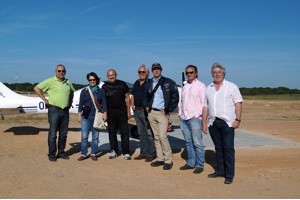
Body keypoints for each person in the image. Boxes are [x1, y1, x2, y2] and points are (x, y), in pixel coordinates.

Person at [202, 63, 243, 184]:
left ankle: (229, 174)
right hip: (213, 122)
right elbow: (205, 106)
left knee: (228, 148)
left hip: (227, 122)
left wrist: (238, 119)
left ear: (223, 73)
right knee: (218, 148)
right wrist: (204, 122)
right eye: (214, 72)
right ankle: (220, 170)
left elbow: (238, 104)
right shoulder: (208, 88)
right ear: (211, 74)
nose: (217, 74)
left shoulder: (231, 87)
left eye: (219, 72)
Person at [34, 64, 75, 162]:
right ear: (55, 71)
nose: (61, 72)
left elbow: (72, 92)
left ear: (65, 72)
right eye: (59, 71)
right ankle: (52, 154)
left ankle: (61, 152)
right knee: (53, 134)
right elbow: (36, 88)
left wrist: (69, 103)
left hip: (65, 110)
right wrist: (45, 100)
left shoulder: (68, 82)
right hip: (54, 110)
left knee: (63, 134)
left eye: (63, 71)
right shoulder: (50, 81)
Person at [143, 63, 179, 170]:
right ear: (152, 71)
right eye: (154, 69)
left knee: (163, 137)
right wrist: (146, 106)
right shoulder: (149, 83)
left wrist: (169, 109)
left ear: (161, 70)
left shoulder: (168, 82)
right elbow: (145, 95)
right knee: (156, 137)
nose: (156, 71)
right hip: (152, 113)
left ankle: (168, 160)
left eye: (158, 69)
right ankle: (160, 158)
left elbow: (175, 96)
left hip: (162, 113)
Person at [178, 65, 206, 174]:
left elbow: (204, 103)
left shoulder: (201, 86)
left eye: (191, 72)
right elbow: (182, 101)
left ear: (196, 73)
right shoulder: (184, 86)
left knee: (197, 142)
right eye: (187, 73)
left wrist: (197, 115)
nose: (189, 74)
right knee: (188, 142)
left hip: (194, 118)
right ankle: (191, 162)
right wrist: (180, 114)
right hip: (184, 118)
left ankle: (200, 164)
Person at [102, 69, 131, 160]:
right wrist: (104, 113)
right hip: (110, 113)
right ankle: (114, 150)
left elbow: (127, 97)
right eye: (109, 75)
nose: (111, 77)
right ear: (107, 76)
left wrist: (128, 111)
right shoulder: (104, 86)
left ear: (116, 75)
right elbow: (102, 101)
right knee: (112, 132)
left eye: (113, 75)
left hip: (122, 113)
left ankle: (126, 152)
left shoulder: (122, 84)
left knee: (125, 133)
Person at [77, 72, 107, 161]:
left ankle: (93, 153)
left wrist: (105, 114)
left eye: (94, 79)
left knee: (95, 137)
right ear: (88, 81)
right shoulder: (84, 91)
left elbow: (104, 104)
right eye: (90, 80)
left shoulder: (101, 91)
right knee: (84, 136)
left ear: (96, 80)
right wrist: (79, 116)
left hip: (96, 116)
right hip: (86, 116)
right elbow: (80, 104)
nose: (92, 81)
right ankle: (83, 153)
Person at [131, 64, 156, 162]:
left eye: (143, 72)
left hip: (145, 111)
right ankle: (143, 153)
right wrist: (132, 105)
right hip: (136, 110)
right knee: (141, 133)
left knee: (149, 133)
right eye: (139, 72)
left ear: (147, 73)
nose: (141, 74)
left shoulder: (150, 83)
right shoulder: (136, 83)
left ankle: (151, 153)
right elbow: (132, 94)